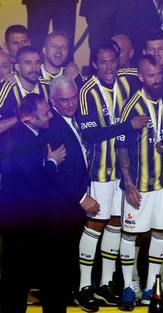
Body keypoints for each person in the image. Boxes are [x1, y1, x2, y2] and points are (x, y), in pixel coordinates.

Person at [75, 41, 148, 310]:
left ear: (119, 61)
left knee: (116, 224)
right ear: (94, 64)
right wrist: (128, 125)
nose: (109, 67)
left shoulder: (128, 82)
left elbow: (154, 79)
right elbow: (92, 133)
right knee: (95, 224)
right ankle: (84, 287)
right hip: (98, 170)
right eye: (103, 62)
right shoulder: (86, 91)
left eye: (112, 61)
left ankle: (106, 284)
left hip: (124, 171)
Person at [0, 93, 66, 313]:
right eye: (46, 113)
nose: (51, 116)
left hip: (21, 219)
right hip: (23, 221)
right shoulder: (22, 140)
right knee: (18, 277)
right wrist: (53, 161)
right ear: (28, 117)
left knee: (17, 276)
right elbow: (37, 179)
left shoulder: (28, 134)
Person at [116, 55, 163, 310]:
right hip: (138, 185)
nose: (157, 79)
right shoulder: (132, 106)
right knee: (129, 235)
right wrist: (128, 184)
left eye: (159, 74)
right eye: (151, 75)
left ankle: (151, 286)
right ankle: (128, 287)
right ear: (140, 77)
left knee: (160, 233)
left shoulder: (162, 101)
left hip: (161, 184)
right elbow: (121, 147)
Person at [44, 76, 98, 311]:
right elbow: (55, 175)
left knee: (65, 266)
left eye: (73, 98)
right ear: (53, 101)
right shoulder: (53, 127)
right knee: (57, 269)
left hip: (70, 209)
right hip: (60, 209)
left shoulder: (72, 119)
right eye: (64, 100)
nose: (70, 103)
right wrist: (81, 197)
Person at [0, 46, 49, 134]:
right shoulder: (5, 89)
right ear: (18, 67)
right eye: (28, 63)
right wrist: (20, 118)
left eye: (37, 63)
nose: (34, 68)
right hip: (14, 140)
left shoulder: (47, 86)